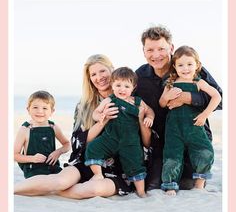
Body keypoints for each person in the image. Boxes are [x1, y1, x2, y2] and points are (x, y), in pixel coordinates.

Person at [14, 55, 151, 198]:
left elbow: (147, 143)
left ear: (112, 70)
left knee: (94, 189)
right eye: (93, 74)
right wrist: (102, 121)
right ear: (90, 79)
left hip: (120, 167)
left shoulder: (133, 101)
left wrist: (142, 119)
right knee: (60, 181)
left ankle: (54, 190)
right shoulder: (84, 106)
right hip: (88, 160)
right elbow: (79, 142)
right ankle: (10, 189)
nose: (99, 77)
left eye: (103, 71)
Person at [135, 25, 222, 191]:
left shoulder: (190, 67)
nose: (156, 55)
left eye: (161, 49)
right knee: (154, 185)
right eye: (150, 50)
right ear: (144, 51)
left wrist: (188, 98)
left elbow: (221, 100)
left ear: (171, 48)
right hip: (165, 140)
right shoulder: (139, 76)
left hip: (194, 133)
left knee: (187, 184)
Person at [159, 46, 221, 195]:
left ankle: (199, 184)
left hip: (195, 125)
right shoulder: (170, 83)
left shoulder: (198, 83)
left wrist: (205, 114)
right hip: (174, 128)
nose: (185, 68)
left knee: (204, 151)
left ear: (197, 65)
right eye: (180, 65)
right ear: (174, 66)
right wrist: (167, 97)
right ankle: (170, 185)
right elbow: (161, 103)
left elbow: (217, 96)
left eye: (189, 64)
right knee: (172, 155)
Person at [84, 67, 154, 197]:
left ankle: (141, 192)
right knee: (93, 148)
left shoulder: (137, 102)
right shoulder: (110, 100)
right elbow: (96, 112)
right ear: (112, 85)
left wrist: (149, 117)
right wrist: (100, 116)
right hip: (111, 138)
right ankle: (98, 175)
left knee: (136, 164)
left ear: (134, 87)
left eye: (127, 86)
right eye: (118, 85)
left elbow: (149, 111)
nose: (122, 89)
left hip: (130, 142)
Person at [14, 90, 70, 178]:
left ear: (52, 111)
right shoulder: (25, 129)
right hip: (33, 171)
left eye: (45, 108)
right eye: (35, 107)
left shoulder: (53, 127)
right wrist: (33, 158)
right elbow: (15, 155)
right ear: (28, 110)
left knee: (69, 178)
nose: (40, 111)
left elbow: (67, 144)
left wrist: (58, 152)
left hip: (53, 169)